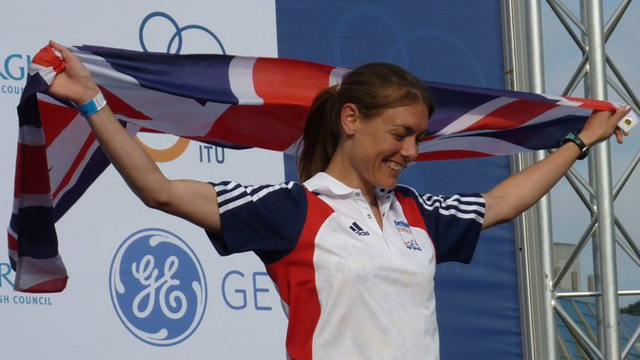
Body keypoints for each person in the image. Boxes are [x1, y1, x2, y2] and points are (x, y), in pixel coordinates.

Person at [47, 40, 630, 360]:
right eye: (400, 134)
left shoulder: (417, 215)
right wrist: (95, 102)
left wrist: (579, 141)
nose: (412, 152)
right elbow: (161, 191)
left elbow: (502, 202)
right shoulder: (289, 209)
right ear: (351, 119)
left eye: (420, 138)